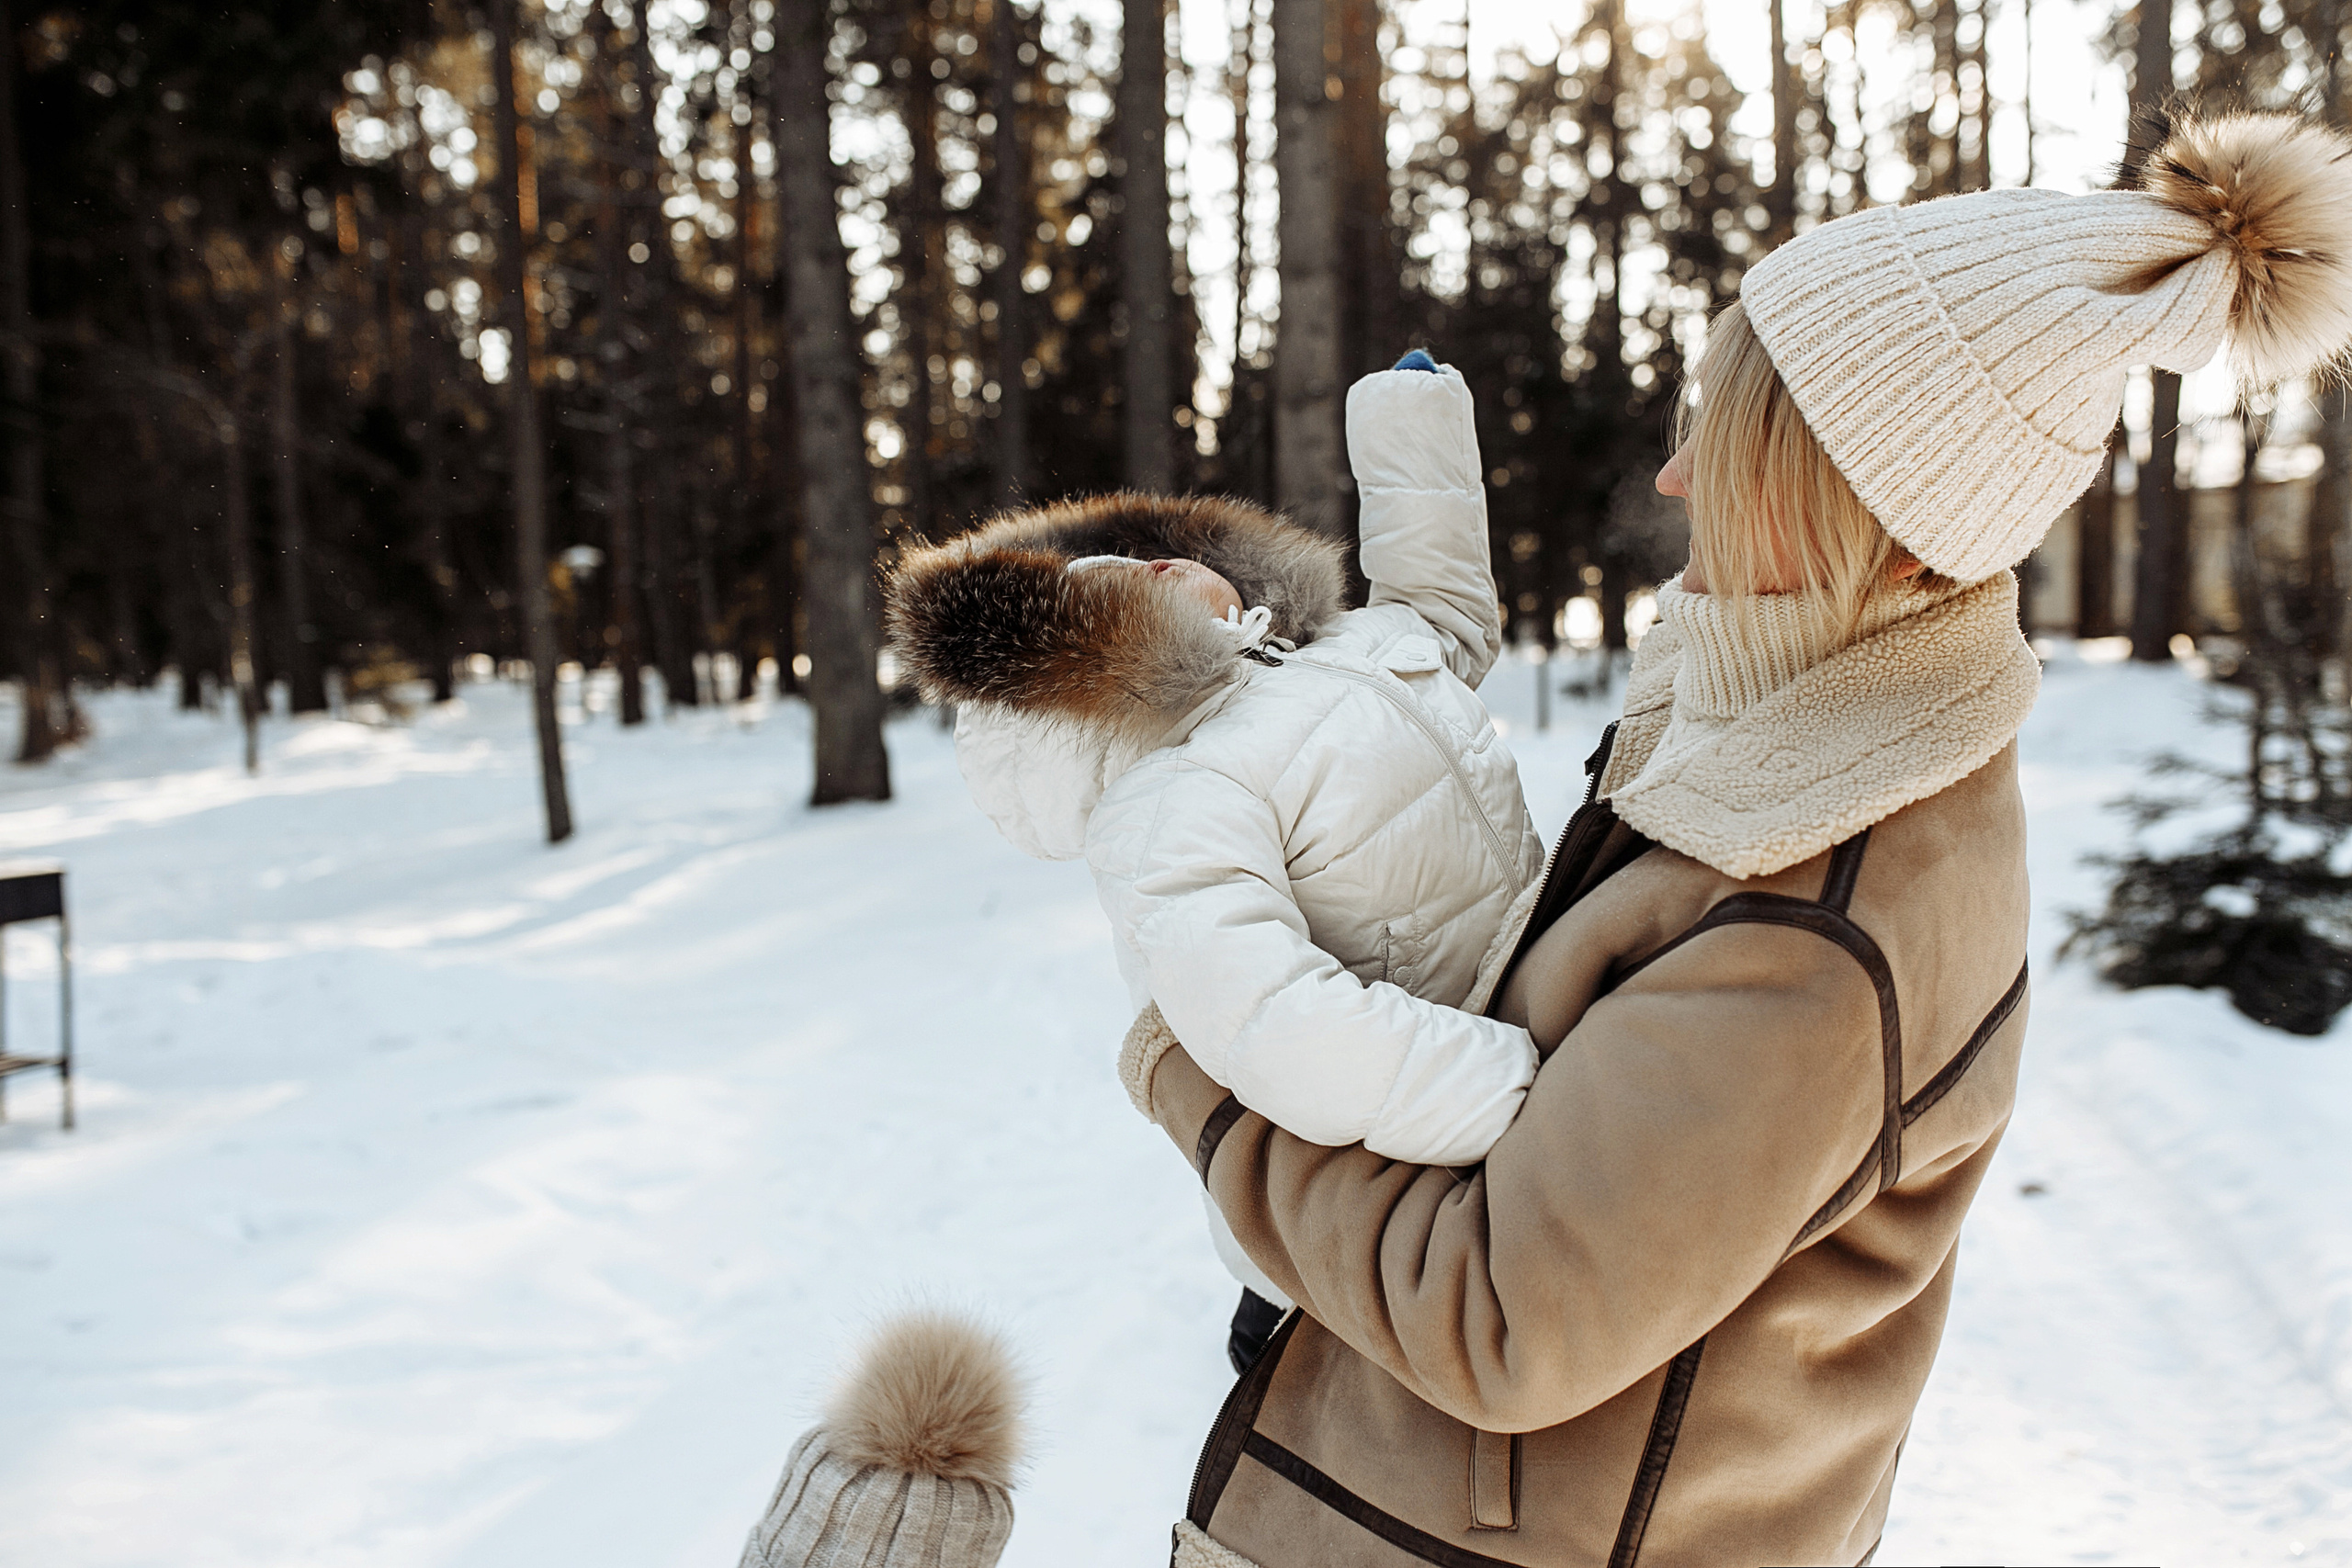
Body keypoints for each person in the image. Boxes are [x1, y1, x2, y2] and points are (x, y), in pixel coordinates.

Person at [1124, 110, 2352, 1567]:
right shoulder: (1773, 735)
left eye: (1734, 445)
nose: (1675, 479)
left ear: (1889, 528)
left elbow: (1501, 1312)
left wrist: (1196, 1068)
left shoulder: (1822, 902)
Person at [886, 358, 1544, 1373]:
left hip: (1495, 1078)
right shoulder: (1175, 796)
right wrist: (1522, 1095)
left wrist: (1408, 425)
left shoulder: (1345, 648)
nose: (1147, 568)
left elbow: (1446, 620)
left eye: (1145, 559)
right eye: (1112, 595)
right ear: (1093, 675)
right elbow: (1278, 1028)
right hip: (1378, 1210)